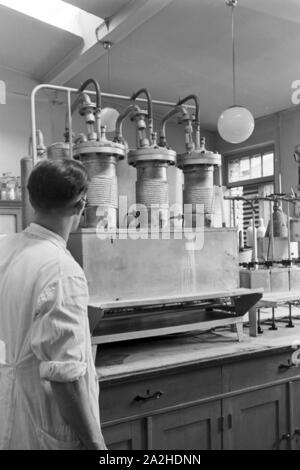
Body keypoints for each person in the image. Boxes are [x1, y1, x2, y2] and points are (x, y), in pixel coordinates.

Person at [0, 159, 106, 450]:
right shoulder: (61, 270)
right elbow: (66, 378)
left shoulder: (4, 246)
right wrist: (98, 446)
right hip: (40, 427)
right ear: (80, 206)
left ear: (31, 200)